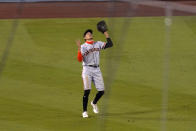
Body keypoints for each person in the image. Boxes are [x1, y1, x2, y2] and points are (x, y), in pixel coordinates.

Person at [76, 29, 113, 118]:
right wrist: (78, 49)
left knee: (101, 91)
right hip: (87, 70)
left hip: (97, 70)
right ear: (85, 37)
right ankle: (84, 111)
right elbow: (79, 59)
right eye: (87, 34)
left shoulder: (98, 44)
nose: (89, 34)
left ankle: (94, 103)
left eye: (90, 33)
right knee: (87, 91)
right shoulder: (83, 47)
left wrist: (105, 32)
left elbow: (110, 44)